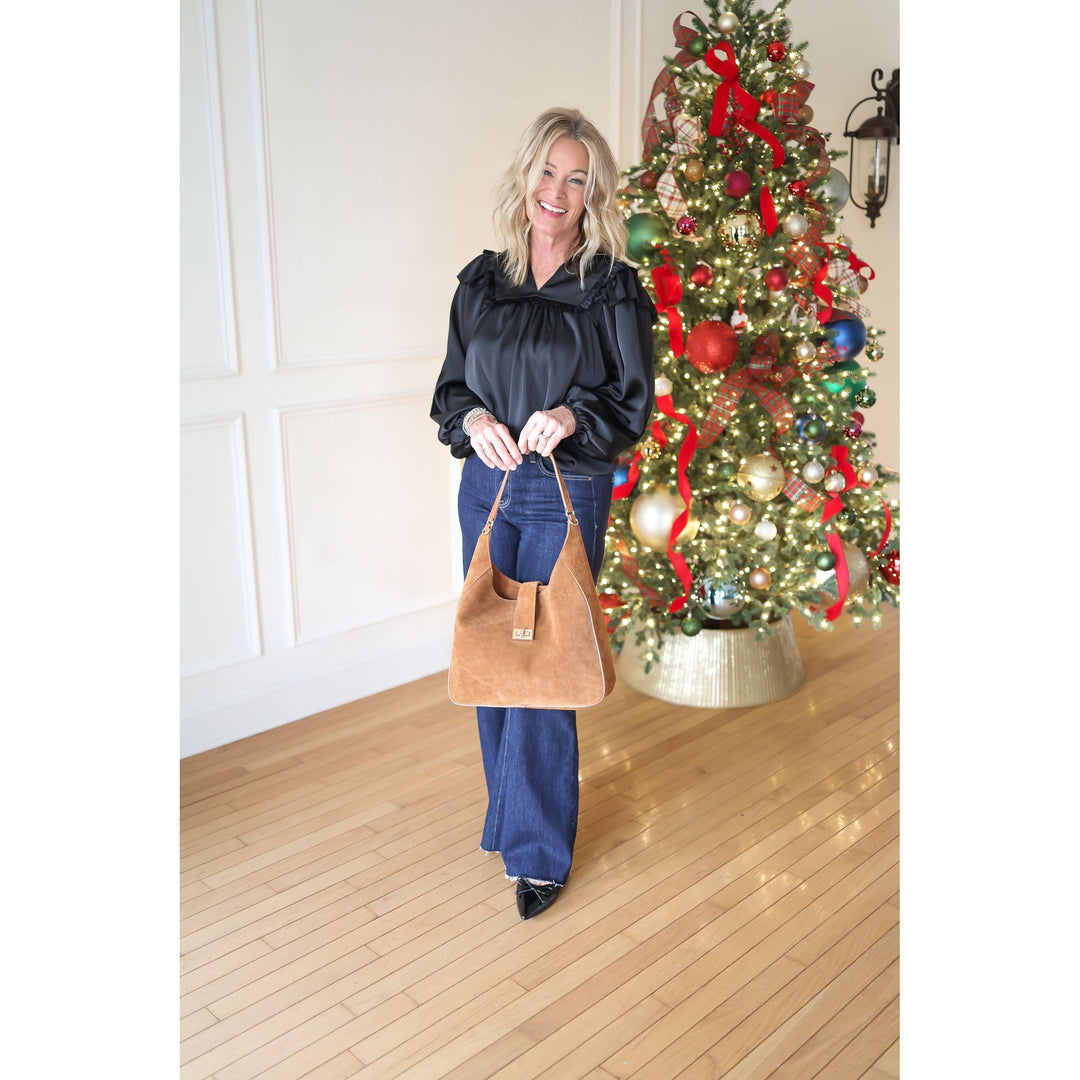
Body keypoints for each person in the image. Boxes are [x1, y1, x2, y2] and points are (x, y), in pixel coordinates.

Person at [430, 107, 657, 920]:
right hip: (487, 488)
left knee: (544, 660)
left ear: (595, 194)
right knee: (492, 649)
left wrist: (568, 416)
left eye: (577, 179)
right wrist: (474, 421)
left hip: (566, 488)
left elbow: (631, 403)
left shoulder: (612, 288)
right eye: (548, 172)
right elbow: (451, 390)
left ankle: (537, 852)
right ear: (526, 176)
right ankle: (510, 816)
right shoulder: (481, 282)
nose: (557, 191)